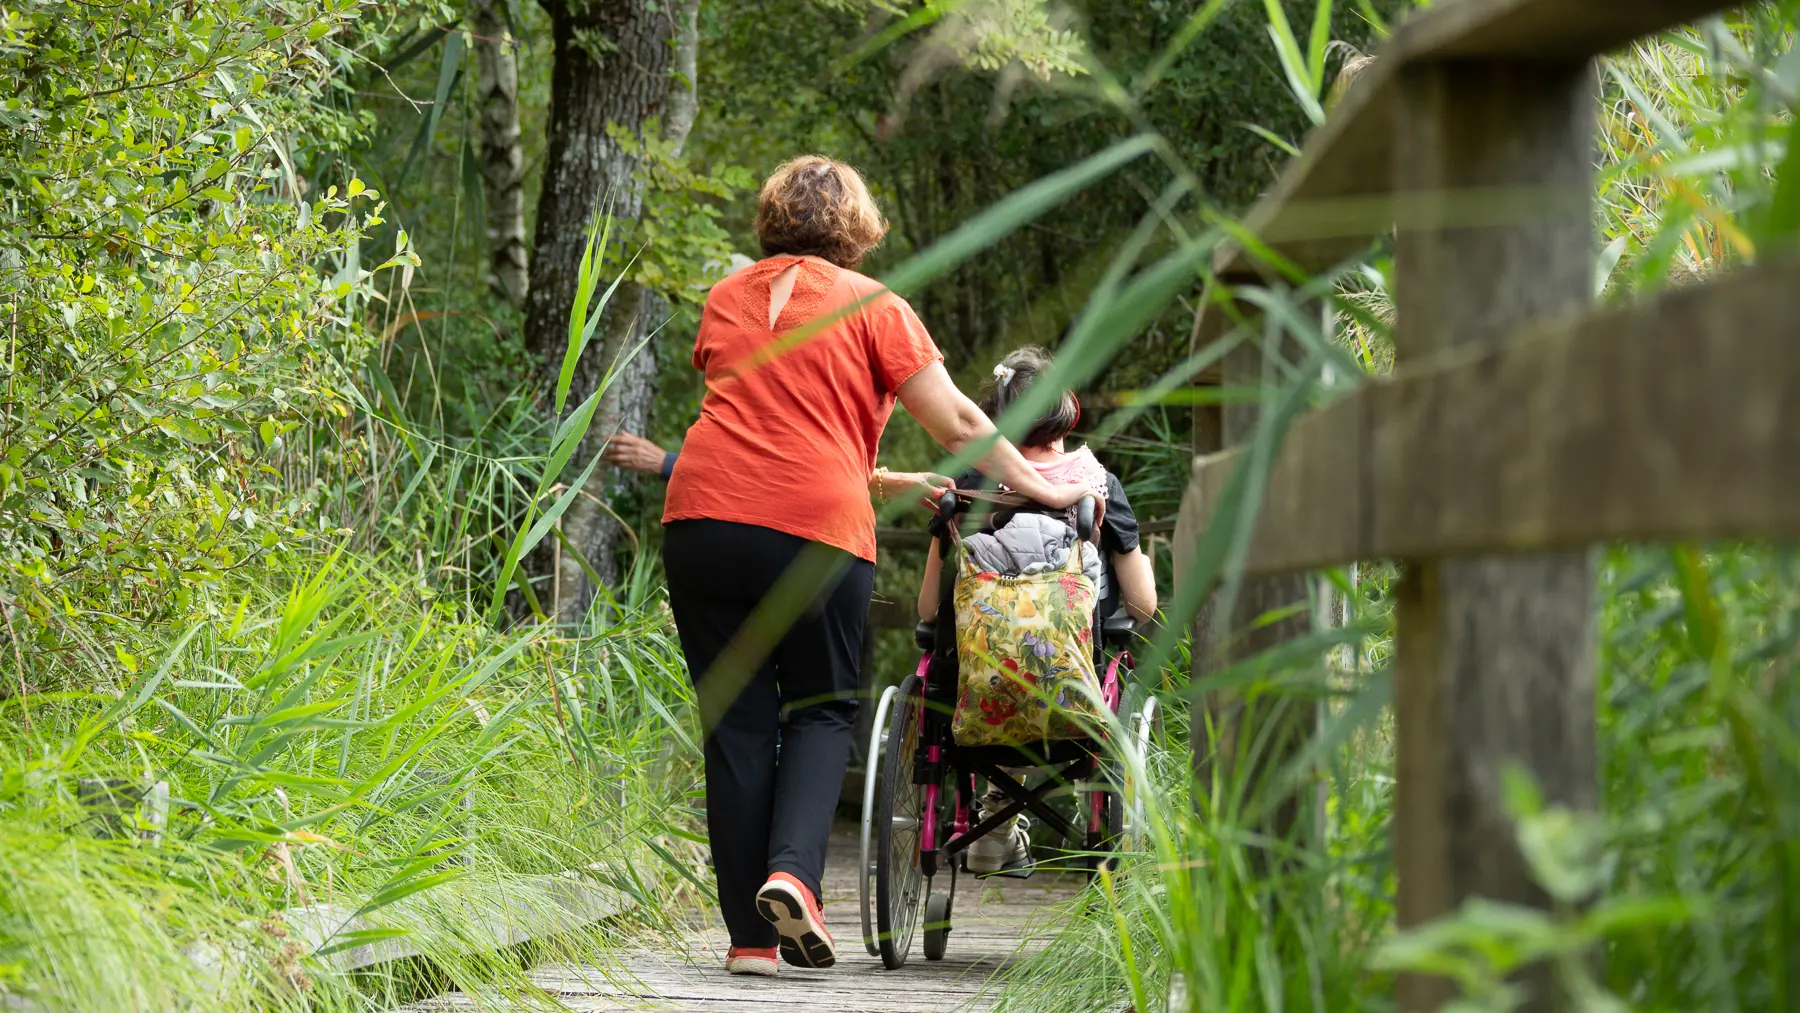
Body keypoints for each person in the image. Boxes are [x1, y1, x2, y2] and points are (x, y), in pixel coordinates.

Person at [660, 156, 1091, 977]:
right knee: (819, 710)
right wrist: (1038, 483)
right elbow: (957, 415)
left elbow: (767, 418)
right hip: (814, 531)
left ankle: (749, 941)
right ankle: (793, 873)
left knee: (736, 722)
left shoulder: (726, 298)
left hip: (704, 519)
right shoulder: (877, 306)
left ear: (771, 220)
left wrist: (881, 475)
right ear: (857, 227)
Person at [915, 345, 1158, 874]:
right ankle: (1081, 813)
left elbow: (929, 609)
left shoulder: (966, 483)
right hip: (1072, 679)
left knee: (986, 657)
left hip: (975, 683)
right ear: (1066, 411)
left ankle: (991, 823)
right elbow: (1142, 604)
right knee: (1064, 657)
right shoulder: (1096, 486)